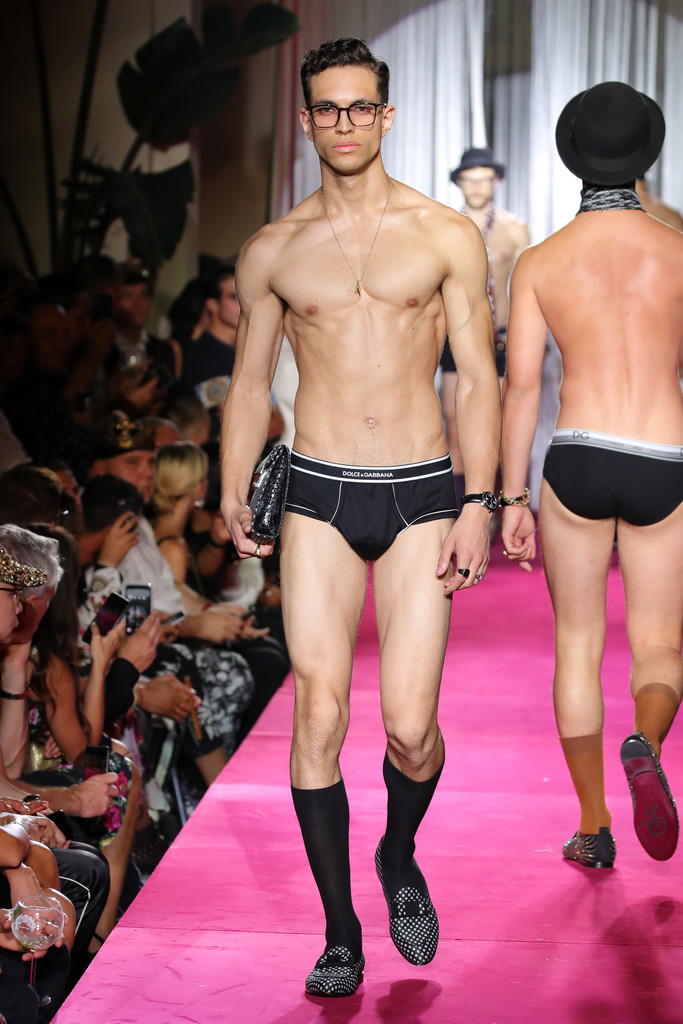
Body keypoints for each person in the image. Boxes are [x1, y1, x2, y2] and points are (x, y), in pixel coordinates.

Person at [220, 37, 501, 996]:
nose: (343, 122)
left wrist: (479, 500)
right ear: (306, 120)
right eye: (326, 108)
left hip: (421, 490)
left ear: (385, 115)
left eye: (359, 106)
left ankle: (396, 852)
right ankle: (340, 930)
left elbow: (478, 379)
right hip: (317, 492)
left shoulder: (442, 235)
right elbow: (249, 384)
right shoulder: (272, 250)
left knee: (412, 728)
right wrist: (231, 488)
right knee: (319, 709)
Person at [501, 81, 683, 871]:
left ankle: (592, 824)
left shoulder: (539, 261)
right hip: (663, 455)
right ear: (646, 155)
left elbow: (520, 390)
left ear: (572, 156)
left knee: (576, 643)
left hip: (575, 455)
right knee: (660, 642)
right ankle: (644, 741)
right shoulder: (679, 252)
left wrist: (509, 496)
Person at [441, 147, 530, 500]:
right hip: (455, 335)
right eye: (470, 179)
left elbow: (525, 288)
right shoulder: (445, 226)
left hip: (501, 337)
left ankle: (493, 505)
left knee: (498, 423)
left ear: (495, 181)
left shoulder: (514, 229)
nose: (477, 186)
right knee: (454, 420)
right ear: (459, 182)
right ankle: (462, 507)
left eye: (484, 179)